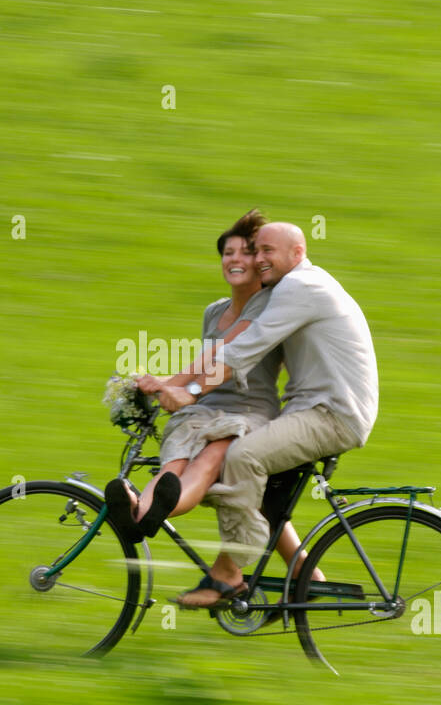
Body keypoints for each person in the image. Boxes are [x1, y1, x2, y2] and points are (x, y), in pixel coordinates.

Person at [149, 221, 378, 608]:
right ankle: (305, 578)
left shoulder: (299, 287)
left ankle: (228, 573)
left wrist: (188, 393)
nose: (258, 259)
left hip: (332, 414)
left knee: (243, 455)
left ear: (298, 253)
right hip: (315, 408)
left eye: (267, 251)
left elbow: (244, 350)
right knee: (265, 491)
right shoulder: (296, 286)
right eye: (257, 251)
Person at [103, 210, 309, 578]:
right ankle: (140, 510)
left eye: (246, 253)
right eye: (227, 253)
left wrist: (175, 385)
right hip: (207, 405)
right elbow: (205, 365)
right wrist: (158, 382)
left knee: (211, 457)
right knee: (174, 459)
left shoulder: (267, 305)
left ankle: (157, 509)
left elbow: (221, 354)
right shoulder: (214, 311)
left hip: (247, 411)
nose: (235, 260)